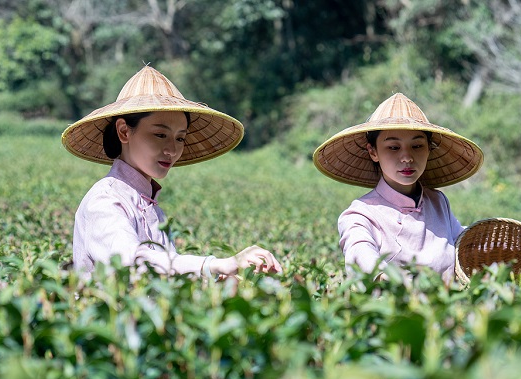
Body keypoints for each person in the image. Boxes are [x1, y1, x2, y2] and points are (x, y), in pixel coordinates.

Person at [61, 65, 281, 280]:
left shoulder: (154, 211)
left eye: (180, 138)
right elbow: (131, 263)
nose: (172, 150)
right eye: (160, 135)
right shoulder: (104, 200)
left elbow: (166, 279)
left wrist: (215, 279)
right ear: (124, 131)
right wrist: (216, 264)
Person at [313, 93, 483, 283]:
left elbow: (464, 242)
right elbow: (360, 253)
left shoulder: (438, 202)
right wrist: (393, 283)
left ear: (429, 149)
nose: (407, 157)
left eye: (417, 145)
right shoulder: (360, 214)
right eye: (393, 147)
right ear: (373, 152)